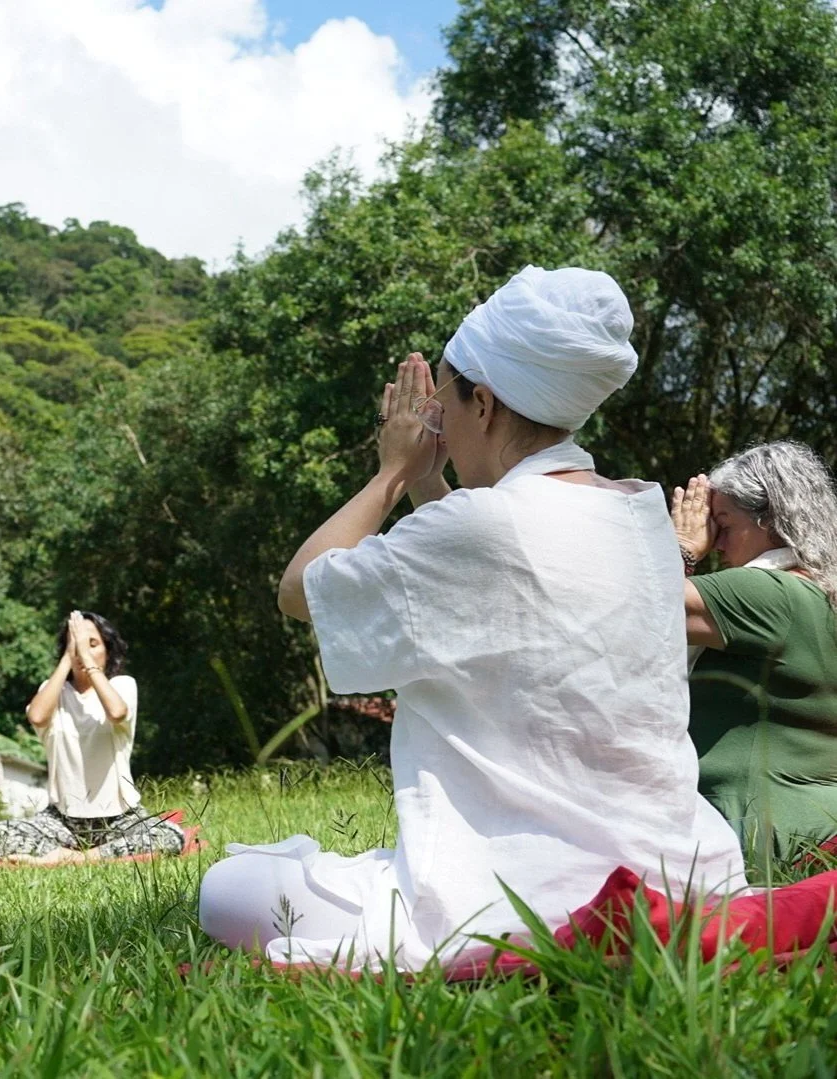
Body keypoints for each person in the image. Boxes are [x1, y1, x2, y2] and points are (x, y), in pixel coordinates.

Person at [199, 265, 746, 971]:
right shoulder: (637, 513)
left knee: (229, 890)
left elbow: (299, 589)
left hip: (518, 889)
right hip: (679, 867)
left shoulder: (482, 526)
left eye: (444, 401)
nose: (438, 421)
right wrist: (431, 480)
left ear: (482, 403)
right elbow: (487, 576)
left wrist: (391, 474)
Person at [670, 442, 837, 862]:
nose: (717, 544)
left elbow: (632, 605)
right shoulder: (819, 595)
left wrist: (683, 547)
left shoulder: (767, 592)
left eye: (724, 525)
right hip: (810, 831)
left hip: (760, 836)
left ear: (772, 523)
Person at [0, 610, 185, 865]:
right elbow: (36, 717)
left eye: (93, 644)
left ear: (108, 650)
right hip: (62, 821)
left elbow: (116, 712)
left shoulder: (122, 685)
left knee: (169, 837)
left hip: (120, 818)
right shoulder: (53, 692)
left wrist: (87, 659)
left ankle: (76, 858)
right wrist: (69, 657)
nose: (83, 651)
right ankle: (83, 855)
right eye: (76, 644)